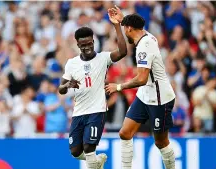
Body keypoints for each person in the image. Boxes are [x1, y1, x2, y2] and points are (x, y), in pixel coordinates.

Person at [105, 6, 176, 169]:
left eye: (125, 29)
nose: (125, 32)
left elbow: (142, 79)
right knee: (125, 133)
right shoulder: (146, 35)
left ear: (129, 29)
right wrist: (122, 20)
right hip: (145, 95)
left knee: (161, 142)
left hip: (160, 98)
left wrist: (119, 87)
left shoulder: (144, 47)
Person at [58, 8, 127, 169]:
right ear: (78, 44)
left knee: (89, 147)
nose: (87, 47)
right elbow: (61, 89)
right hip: (78, 112)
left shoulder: (103, 58)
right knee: (75, 151)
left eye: (90, 43)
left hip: (97, 110)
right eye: (83, 45)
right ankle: (97, 163)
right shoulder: (72, 63)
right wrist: (68, 85)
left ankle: (94, 164)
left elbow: (123, 51)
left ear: (93, 41)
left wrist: (117, 26)